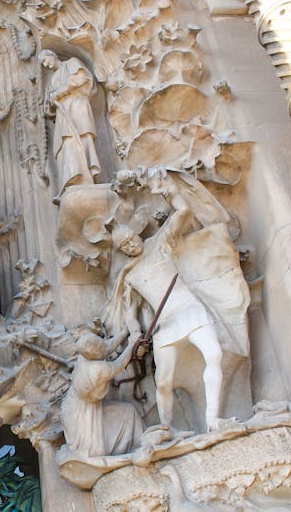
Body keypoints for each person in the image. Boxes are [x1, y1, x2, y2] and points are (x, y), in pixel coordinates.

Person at [105, 169, 249, 432]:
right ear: (121, 251)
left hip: (189, 309)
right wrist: (137, 334)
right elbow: (130, 312)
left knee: (213, 354)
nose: (130, 245)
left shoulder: (159, 244)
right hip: (165, 326)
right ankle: (166, 428)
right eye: (124, 246)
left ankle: (213, 419)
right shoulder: (129, 275)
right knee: (162, 382)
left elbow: (183, 213)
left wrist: (166, 189)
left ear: (136, 234)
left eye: (130, 239)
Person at [60, 327, 142, 457]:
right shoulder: (98, 368)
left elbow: (107, 347)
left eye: (99, 341)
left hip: (73, 406)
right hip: (82, 415)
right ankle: (134, 448)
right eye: (99, 345)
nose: (102, 345)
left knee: (128, 411)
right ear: (94, 353)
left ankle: (137, 445)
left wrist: (125, 332)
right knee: (128, 411)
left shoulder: (84, 356)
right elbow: (119, 365)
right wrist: (132, 344)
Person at [40, 50, 100, 199]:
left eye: (46, 60)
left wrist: (58, 94)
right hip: (63, 114)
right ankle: (73, 178)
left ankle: (88, 177)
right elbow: (48, 104)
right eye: (43, 64)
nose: (46, 65)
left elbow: (79, 79)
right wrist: (51, 101)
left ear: (53, 55)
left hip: (77, 105)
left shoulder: (71, 63)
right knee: (67, 143)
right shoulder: (52, 78)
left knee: (83, 136)